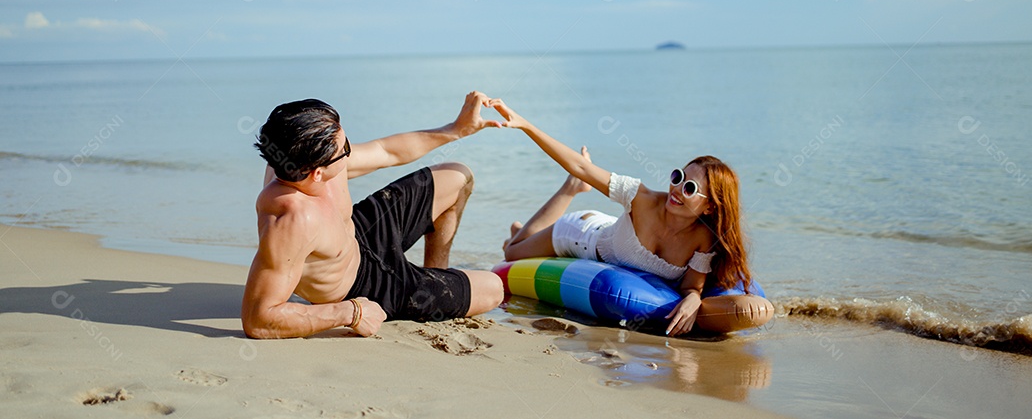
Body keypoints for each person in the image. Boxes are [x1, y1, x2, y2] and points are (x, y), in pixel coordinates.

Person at [241, 91, 505, 339]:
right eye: (344, 149)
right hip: (367, 286)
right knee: (493, 288)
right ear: (317, 172)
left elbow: (385, 151)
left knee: (457, 175)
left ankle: (435, 273)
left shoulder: (307, 155)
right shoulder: (290, 219)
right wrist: (350, 312)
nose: (349, 149)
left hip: (362, 232)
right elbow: (259, 318)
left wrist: (457, 129)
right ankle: (425, 291)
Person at [492, 98, 754, 336]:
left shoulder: (703, 238)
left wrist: (694, 299)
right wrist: (527, 126)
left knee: (517, 244)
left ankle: (521, 231)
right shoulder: (641, 197)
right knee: (511, 254)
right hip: (582, 235)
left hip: (611, 232)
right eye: (678, 177)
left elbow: (691, 288)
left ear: (710, 207)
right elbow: (581, 166)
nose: (676, 189)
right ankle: (568, 191)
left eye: (690, 188)